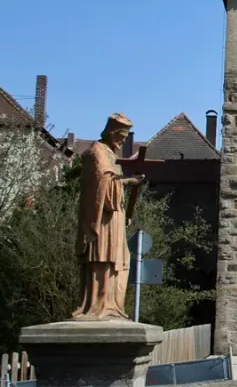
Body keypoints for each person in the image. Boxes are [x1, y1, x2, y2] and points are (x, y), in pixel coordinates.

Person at [72, 113, 144, 320]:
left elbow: (112, 182)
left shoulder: (109, 154)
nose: (122, 141)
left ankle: (111, 303)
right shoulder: (98, 152)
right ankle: (99, 303)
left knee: (117, 258)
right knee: (103, 255)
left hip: (114, 217)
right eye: (120, 136)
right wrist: (129, 182)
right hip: (102, 219)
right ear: (111, 132)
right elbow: (101, 184)